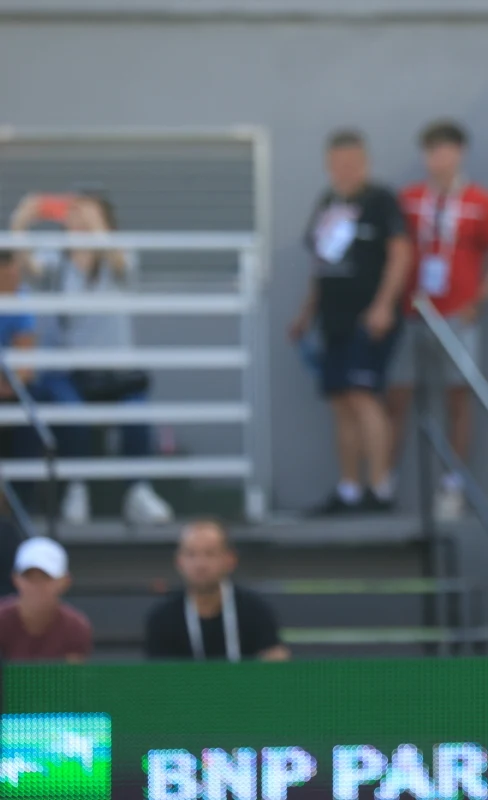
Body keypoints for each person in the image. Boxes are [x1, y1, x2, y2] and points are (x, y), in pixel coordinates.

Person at [9, 191, 173, 524]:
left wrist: (94, 220)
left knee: (136, 413)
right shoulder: (55, 260)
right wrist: (22, 220)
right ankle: (76, 489)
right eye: (73, 215)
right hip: (68, 372)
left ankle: (138, 491)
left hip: (114, 372)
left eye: (86, 215)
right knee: (72, 415)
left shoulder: (119, 259)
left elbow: (114, 257)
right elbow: (24, 264)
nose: (78, 220)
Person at [389, 120, 488, 518]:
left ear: (460, 153)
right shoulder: (408, 198)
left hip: (459, 314)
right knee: (399, 394)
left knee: (458, 397)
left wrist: (481, 300)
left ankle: (453, 483)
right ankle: (385, 481)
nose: (439, 158)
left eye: (446, 150)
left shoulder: (480, 200)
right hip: (412, 312)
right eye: (432, 151)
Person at [289, 130, 412, 514]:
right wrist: (306, 312)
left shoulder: (380, 201)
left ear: (365, 163)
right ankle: (349, 488)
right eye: (338, 165)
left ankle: (380, 487)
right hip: (332, 319)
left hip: (368, 318)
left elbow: (401, 254)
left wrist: (383, 305)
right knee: (340, 401)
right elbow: (320, 262)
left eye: (352, 164)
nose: (344, 171)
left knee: (363, 396)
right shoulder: (327, 202)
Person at [143, 519, 289, 661]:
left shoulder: (255, 611)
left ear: (230, 559)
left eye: (210, 554)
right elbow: (159, 679)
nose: (200, 564)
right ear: (179, 561)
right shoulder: (162, 619)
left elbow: (274, 664)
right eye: (191, 554)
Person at [0, 536, 92, 662]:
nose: (37, 586)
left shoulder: (76, 627)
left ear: (65, 581)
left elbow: (73, 678)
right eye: (29, 577)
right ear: (15, 579)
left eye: (46, 577)